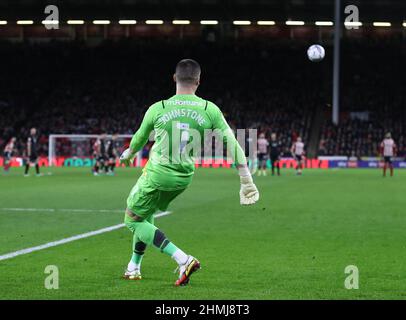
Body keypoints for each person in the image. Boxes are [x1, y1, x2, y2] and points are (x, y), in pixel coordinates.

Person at [119, 59, 259, 286]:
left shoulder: (159, 108)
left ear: (174, 78)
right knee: (145, 213)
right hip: (183, 178)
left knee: (132, 220)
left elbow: (139, 138)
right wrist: (246, 179)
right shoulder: (209, 109)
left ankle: (183, 259)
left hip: (157, 174)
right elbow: (232, 143)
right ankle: (134, 266)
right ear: (198, 81)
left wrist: (128, 154)